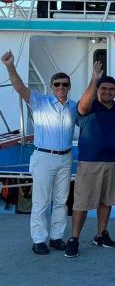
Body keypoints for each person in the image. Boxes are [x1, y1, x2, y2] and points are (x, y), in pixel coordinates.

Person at [2, 50, 77, 255]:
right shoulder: (39, 102)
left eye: (64, 84)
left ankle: (56, 237)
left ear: (69, 87)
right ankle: (39, 240)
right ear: (52, 87)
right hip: (44, 157)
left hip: (66, 157)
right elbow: (19, 87)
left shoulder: (73, 106)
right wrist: (10, 65)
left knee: (61, 201)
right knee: (41, 201)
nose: (61, 87)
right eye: (57, 84)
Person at [66, 63, 115, 258]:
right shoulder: (89, 106)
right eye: (104, 89)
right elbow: (82, 106)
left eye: (111, 89)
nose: (108, 92)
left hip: (114, 161)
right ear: (98, 90)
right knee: (82, 202)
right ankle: (74, 238)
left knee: (106, 201)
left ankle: (101, 235)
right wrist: (94, 79)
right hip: (90, 162)